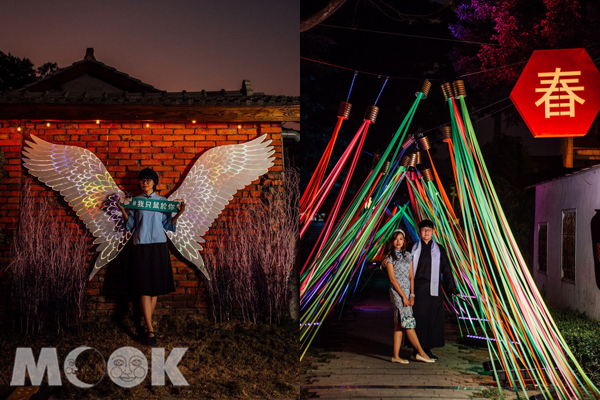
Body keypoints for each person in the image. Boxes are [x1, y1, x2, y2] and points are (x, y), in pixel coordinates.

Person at [117, 168, 186, 345]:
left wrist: (178, 214)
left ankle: (149, 327)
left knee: (153, 287)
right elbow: (130, 224)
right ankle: (150, 329)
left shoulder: (163, 202)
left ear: (154, 182)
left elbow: (167, 224)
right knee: (143, 287)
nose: (145, 182)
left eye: (148, 180)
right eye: (142, 180)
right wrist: (122, 209)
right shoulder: (135, 201)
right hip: (140, 244)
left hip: (158, 244)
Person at [382, 229, 435, 364]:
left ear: (404, 241)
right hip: (397, 293)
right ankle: (421, 353)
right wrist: (403, 297)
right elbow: (393, 280)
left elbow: (411, 276)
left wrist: (411, 295)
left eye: (401, 239)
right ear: (392, 241)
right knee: (408, 324)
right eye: (396, 239)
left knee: (399, 325)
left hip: (407, 293)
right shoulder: (389, 259)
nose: (398, 241)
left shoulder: (408, 256)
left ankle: (395, 356)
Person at [410, 219, 458, 360]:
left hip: (433, 290)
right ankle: (417, 350)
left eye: (429, 230)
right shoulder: (412, 248)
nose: (426, 232)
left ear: (433, 232)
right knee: (417, 320)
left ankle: (427, 349)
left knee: (432, 320)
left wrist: (452, 289)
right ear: (419, 231)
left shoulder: (439, 249)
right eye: (424, 230)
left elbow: (446, 270)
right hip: (417, 290)